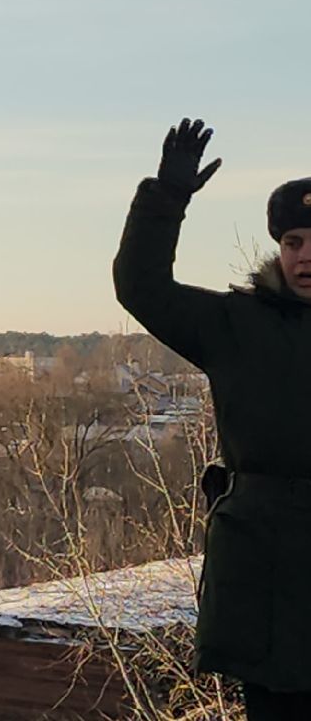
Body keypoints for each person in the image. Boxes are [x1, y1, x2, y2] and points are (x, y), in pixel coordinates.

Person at [113, 117, 311, 720]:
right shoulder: (236, 325)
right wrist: (165, 200)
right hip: (263, 565)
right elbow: (140, 286)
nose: (306, 256)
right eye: (295, 242)